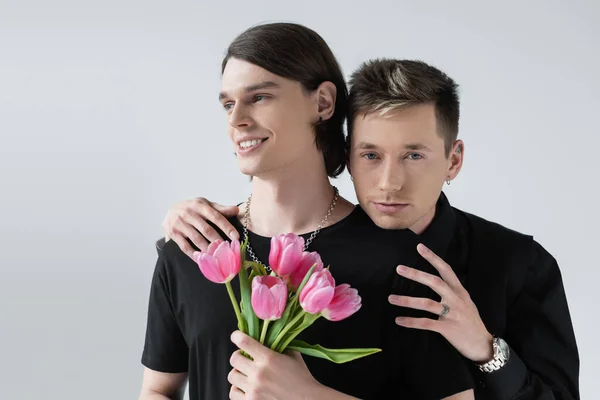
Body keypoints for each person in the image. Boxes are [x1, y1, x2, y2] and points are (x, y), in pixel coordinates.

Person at [162, 58, 580, 399]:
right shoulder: (317, 257)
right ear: (347, 156)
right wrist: (184, 220)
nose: (388, 183)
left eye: (413, 155)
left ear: (453, 160)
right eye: (371, 155)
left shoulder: (519, 263)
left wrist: (486, 348)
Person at [139, 23, 474, 400]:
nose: (236, 121)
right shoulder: (191, 248)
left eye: (260, 97)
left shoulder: (404, 263)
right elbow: (157, 390)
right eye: (228, 104)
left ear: (323, 103)